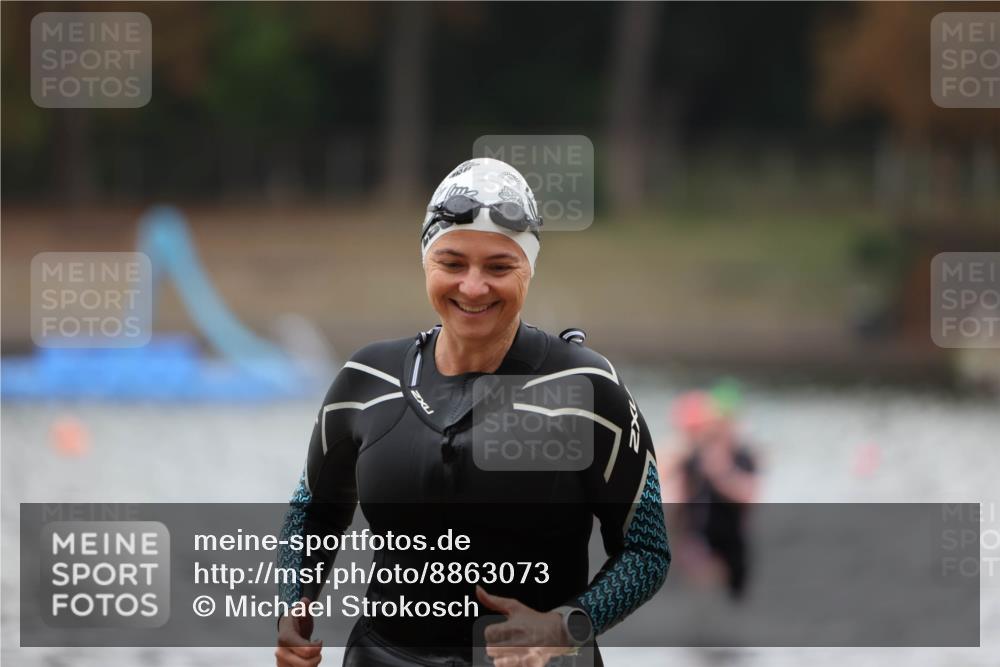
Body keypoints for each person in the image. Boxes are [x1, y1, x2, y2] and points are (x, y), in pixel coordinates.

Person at [274, 158, 669, 667]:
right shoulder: (365, 381)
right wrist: (292, 609)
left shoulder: (588, 389)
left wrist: (567, 624)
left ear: (529, 268)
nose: (474, 287)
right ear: (426, 263)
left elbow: (647, 550)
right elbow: (312, 511)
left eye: (499, 267)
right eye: (453, 263)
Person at [658, 388, 758, 600]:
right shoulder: (689, 454)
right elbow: (662, 478)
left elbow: (748, 495)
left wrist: (721, 473)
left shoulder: (742, 454)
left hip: (732, 540)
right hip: (696, 538)